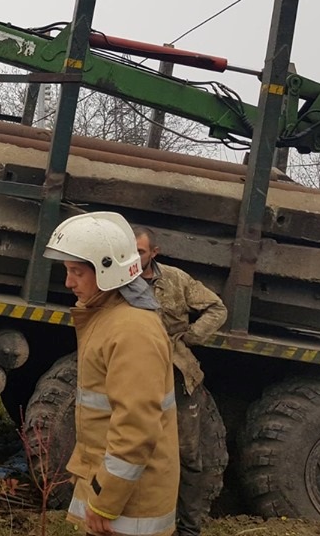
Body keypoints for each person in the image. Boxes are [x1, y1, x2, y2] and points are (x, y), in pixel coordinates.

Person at [44, 212, 179, 536]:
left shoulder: (131, 330)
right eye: (67, 271)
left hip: (129, 505)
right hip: (115, 493)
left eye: (77, 272)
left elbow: (136, 427)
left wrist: (106, 499)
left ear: (109, 271)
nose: (68, 282)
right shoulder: (110, 317)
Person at [134, 226, 228, 536]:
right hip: (136, 374)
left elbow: (217, 307)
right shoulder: (118, 282)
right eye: (130, 252)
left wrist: (191, 337)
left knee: (188, 455)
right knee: (135, 450)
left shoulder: (174, 279)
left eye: (141, 252)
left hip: (177, 375)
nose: (135, 258)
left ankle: (188, 529)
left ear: (154, 253)